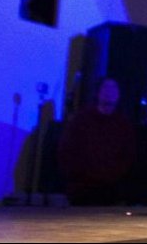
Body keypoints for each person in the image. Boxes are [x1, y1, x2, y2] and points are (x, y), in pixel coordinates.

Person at [57, 77, 136, 205]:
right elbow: (67, 152)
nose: (109, 92)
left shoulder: (123, 125)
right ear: (98, 92)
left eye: (113, 89)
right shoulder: (81, 120)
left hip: (111, 190)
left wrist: (112, 177)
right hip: (82, 188)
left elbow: (128, 156)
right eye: (106, 88)